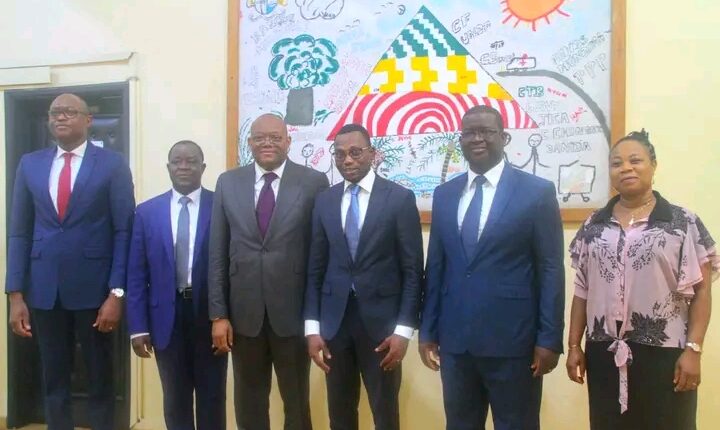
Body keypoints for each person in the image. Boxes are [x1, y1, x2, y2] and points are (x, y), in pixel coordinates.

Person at [418, 105, 565, 430]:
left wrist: (549, 338)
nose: (477, 138)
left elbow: (551, 269)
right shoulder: (445, 195)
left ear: (505, 137)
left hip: (514, 342)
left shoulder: (536, 193)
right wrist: (427, 331)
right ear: (460, 139)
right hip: (456, 342)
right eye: (469, 132)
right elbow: (436, 266)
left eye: (486, 131)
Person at [566, 130, 718, 429]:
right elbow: (582, 290)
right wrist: (574, 346)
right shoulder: (594, 225)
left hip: (666, 354)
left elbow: (701, 290)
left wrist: (694, 349)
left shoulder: (682, 222)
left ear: (653, 165)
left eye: (635, 160)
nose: (626, 168)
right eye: (616, 163)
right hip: (604, 353)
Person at [6, 93, 135, 430]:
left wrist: (117, 293)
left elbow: (124, 231)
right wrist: (15, 295)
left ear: (88, 120)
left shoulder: (111, 164)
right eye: (55, 112)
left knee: (100, 377)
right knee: (53, 378)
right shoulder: (30, 164)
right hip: (44, 291)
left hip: (96, 292)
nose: (60, 117)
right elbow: (19, 232)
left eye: (69, 112)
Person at [208, 113, 329, 430]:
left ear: (288, 141)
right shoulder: (228, 182)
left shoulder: (313, 182)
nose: (267, 143)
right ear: (249, 142)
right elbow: (217, 252)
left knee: (296, 402)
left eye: (275, 137)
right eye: (260, 137)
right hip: (243, 316)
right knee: (249, 403)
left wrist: (315, 319)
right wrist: (218, 314)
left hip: (293, 314)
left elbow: (320, 255)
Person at [304, 124, 424, 430]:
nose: (347, 160)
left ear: (373, 153)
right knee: (340, 414)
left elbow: (412, 271)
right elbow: (315, 268)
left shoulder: (398, 199)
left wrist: (404, 331)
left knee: (385, 414)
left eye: (355, 152)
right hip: (335, 324)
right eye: (340, 154)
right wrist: (312, 328)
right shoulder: (325, 200)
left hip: (382, 328)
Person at [126, 140, 227, 430]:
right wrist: (138, 327)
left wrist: (225, 316)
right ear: (168, 167)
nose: (184, 167)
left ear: (203, 167)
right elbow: (136, 274)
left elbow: (231, 267)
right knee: (174, 397)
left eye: (191, 161)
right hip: (164, 318)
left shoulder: (220, 206)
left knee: (212, 396)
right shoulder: (147, 212)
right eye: (177, 161)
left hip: (209, 315)